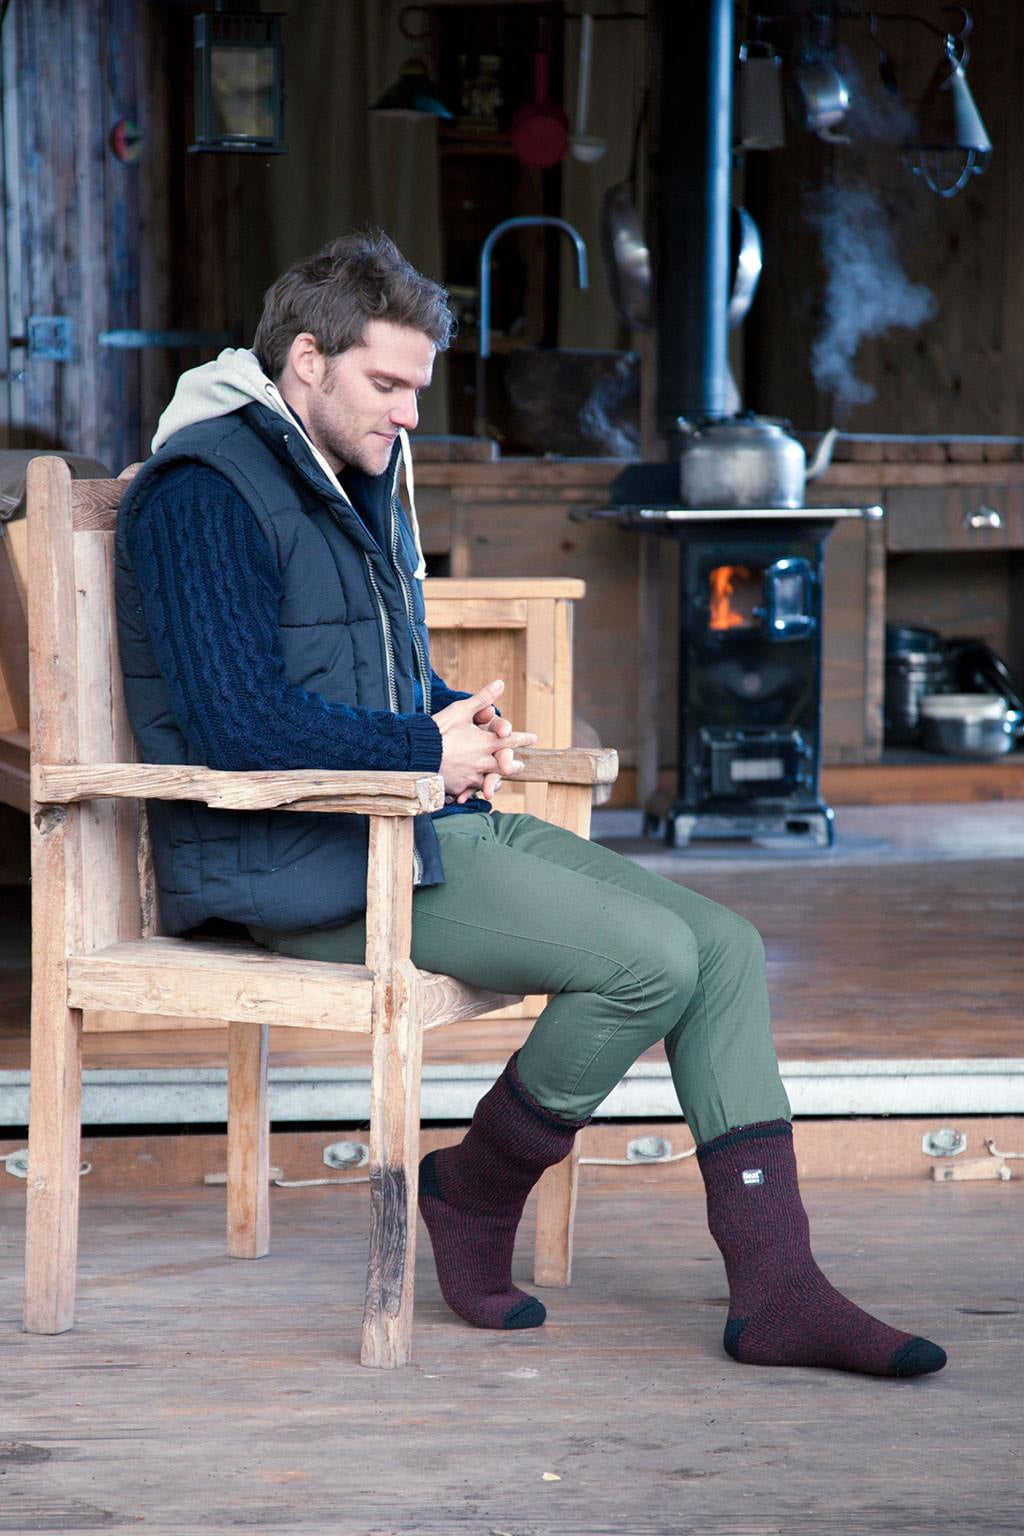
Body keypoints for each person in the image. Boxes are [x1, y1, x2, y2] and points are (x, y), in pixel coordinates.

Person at [115, 231, 946, 1379]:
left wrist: (450, 714)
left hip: (398, 826)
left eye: (417, 387)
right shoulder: (204, 490)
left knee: (724, 948)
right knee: (648, 962)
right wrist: (423, 747)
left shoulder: (341, 471)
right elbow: (233, 724)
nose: (410, 413)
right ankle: (474, 1190)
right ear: (306, 360)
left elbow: (367, 675)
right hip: (298, 862)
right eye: (388, 384)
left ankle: (779, 1288)